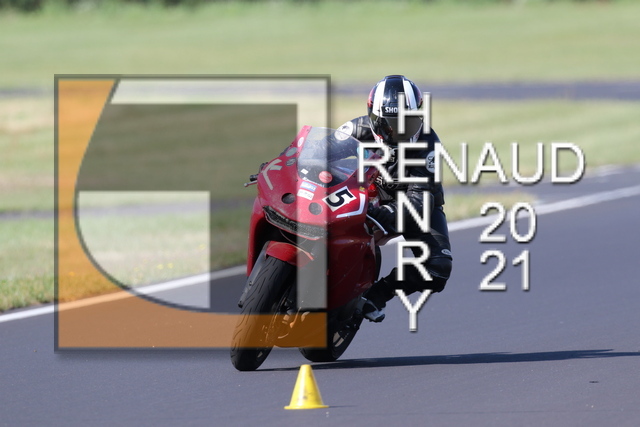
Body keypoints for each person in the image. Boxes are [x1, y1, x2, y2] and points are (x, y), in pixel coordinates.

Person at [337, 75, 453, 322]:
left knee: (438, 267)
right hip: (369, 191)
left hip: (414, 201)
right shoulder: (357, 130)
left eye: (408, 122)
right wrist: (286, 162)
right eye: (391, 123)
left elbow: (420, 198)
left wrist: (391, 213)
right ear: (375, 119)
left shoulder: (428, 143)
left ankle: (377, 295)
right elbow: (317, 152)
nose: (399, 130)